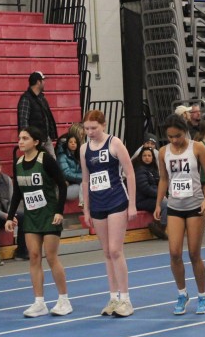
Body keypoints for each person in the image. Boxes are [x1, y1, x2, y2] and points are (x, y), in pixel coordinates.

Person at [6, 126, 71, 317]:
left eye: (25, 138)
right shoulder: (18, 163)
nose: (20, 141)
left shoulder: (46, 160)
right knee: (34, 256)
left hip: (49, 214)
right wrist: (10, 216)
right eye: (19, 138)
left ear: (35, 142)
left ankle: (64, 300)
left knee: (51, 257)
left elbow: (62, 185)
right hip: (31, 217)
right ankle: (39, 302)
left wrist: (59, 211)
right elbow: (17, 192)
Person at [155, 113, 205, 315]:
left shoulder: (197, 148)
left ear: (185, 132)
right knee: (174, 253)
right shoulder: (163, 152)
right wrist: (158, 204)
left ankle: (202, 296)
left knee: (194, 254)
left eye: (178, 136)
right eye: (170, 137)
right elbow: (164, 179)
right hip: (175, 206)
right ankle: (182, 294)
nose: (174, 140)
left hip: (195, 206)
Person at [80, 109, 137, 317]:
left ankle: (126, 299)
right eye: (87, 129)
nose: (90, 132)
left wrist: (132, 204)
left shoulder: (115, 143)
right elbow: (85, 179)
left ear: (103, 125)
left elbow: (130, 173)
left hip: (116, 200)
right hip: (97, 203)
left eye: (94, 128)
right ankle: (113, 298)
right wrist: (86, 208)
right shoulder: (84, 149)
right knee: (106, 252)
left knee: (115, 250)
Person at [17, 71, 58, 157]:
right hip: (35, 140)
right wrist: (28, 139)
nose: (44, 83)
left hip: (45, 137)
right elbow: (23, 121)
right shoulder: (26, 99)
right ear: (38, 82)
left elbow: (47, 117)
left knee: (52, 161)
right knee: (37, 161)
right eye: (43, 80)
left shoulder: (41, 98)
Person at [133, 147, 167, 240]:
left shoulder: (153, 169)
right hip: (142, 200)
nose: (147, 157)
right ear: (140, 157)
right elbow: (145, 188)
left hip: (152, 198)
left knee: (172, 202)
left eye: (149, 155)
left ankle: (160, 226)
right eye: (144, 156)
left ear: (153, 157)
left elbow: (160, 185)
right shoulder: (140, 170)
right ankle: (160, 228)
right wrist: (160, 196)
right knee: (166, 204)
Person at [57, 133, 83, 203]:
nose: (73, 144)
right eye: (70, 142)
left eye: (75, 142)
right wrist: (84, 177)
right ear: (67, 143)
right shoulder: (62, 156)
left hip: (77, 182)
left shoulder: (79, 155)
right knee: (84, 186)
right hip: (66, 186)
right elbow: (66, 174)